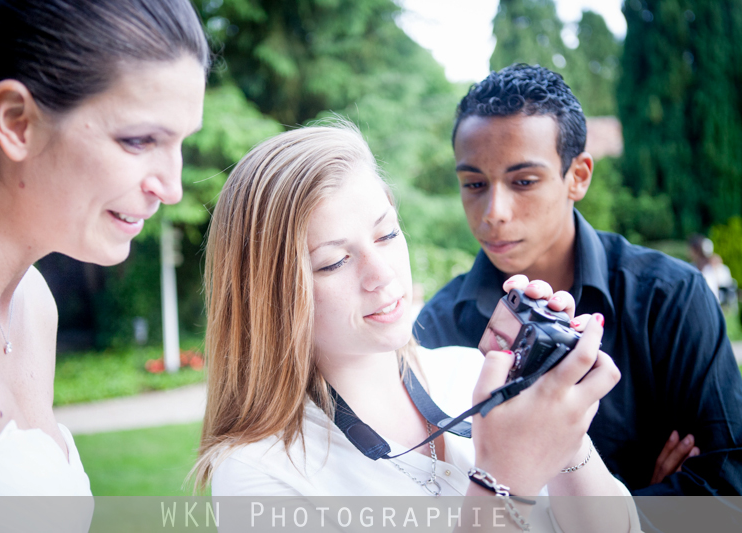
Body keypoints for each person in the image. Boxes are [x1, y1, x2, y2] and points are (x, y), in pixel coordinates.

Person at [194, 123, 639, 532]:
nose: (382, 274)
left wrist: (558, 420)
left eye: (386, 235)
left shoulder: (469, 374)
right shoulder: (258, 472)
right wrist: (504, 481)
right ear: (268, 295)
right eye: (334, 261)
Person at [414, 64, 742, 495]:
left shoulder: (670, 298)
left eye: (524, 181)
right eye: (474, 184)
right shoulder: (439, 326)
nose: (494, 211)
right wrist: (641, 503)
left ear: (579, 176)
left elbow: (727, 493)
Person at [0, 0, 208, 507]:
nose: (171, 187)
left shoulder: (32, 299)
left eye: (179, 144)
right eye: (138, 140)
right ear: (17, 121)